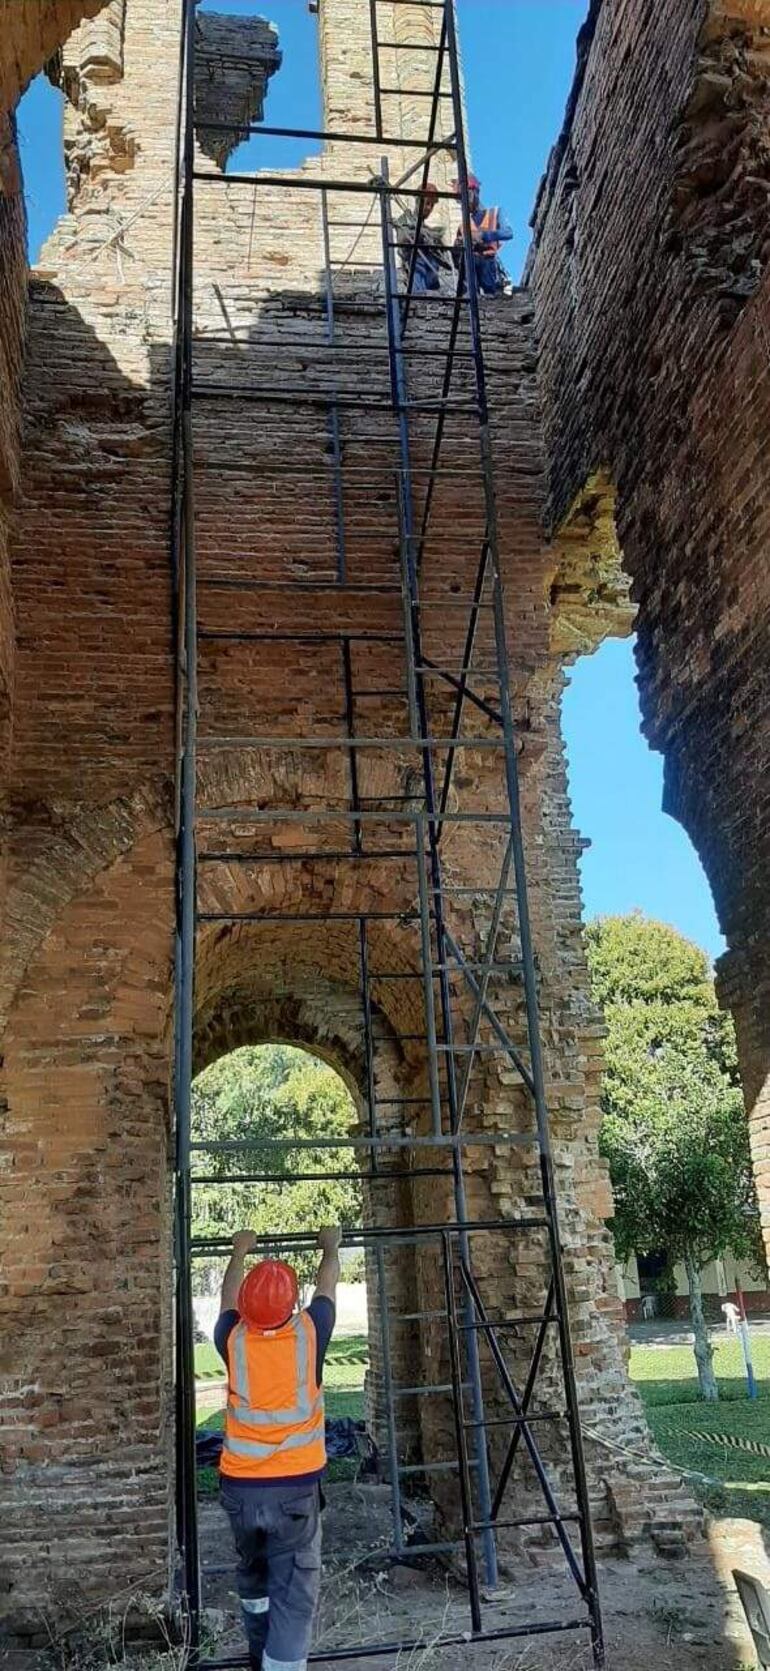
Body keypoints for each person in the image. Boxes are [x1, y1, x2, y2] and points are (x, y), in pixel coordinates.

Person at [214, 1226, 342, 1671]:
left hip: (240, 1490)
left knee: (254, 1575)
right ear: (292, 1305)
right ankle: (280, 1663)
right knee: (293, 1589)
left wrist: (239, 1252)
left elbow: (227, 1300)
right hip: (293, 1491)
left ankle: (259, 1654)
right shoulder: (311, 1334)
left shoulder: (232, 1339)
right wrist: (330, 1245)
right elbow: (327, 1284)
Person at [452, 174, 513, 297]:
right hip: (471, 265)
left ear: (475, 192)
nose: (463, 203)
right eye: (460, 200)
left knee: (490, 293)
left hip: (488, 264)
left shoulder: (495, 213)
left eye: (466, 196)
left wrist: (483, 236)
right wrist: (458, 247)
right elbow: (455, 260)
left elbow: (508, 233)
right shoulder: (463, 226)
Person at [394, 181, 452, 294]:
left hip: (431, 273)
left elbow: (444, 258)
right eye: (427, 203)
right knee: (418, 263)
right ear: (418, 201)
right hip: (416, 267)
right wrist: (420, 234)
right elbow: (402, 240)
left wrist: (435, 240)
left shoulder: (428, 229)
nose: (429, 208)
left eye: (432, 205)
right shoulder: (405, 220)